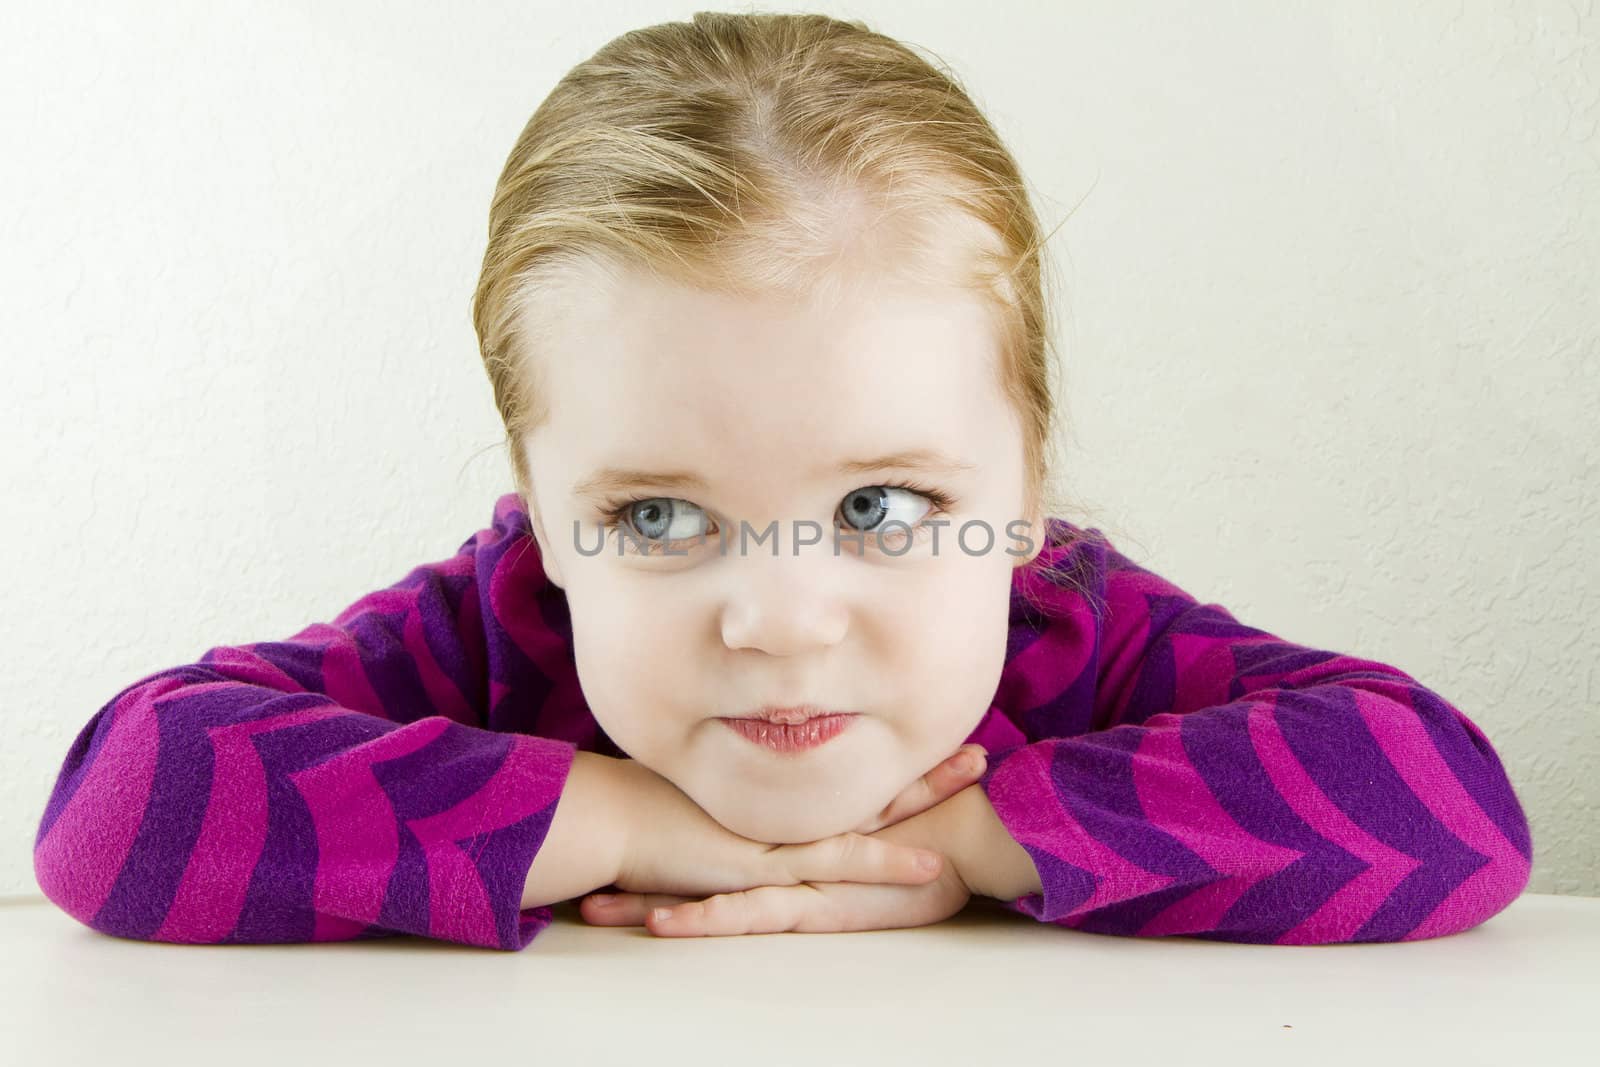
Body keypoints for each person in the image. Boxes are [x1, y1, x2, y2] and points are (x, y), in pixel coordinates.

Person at [33, 11, 1532, 951]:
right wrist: (624, 824)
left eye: (883, 508)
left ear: (1028, 482)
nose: (783, 621)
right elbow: (120, 815)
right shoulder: (498, 631)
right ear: (542, 510)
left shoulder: (1070, 626)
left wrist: (965, 837)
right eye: (657, 517)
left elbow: (1447, 810)